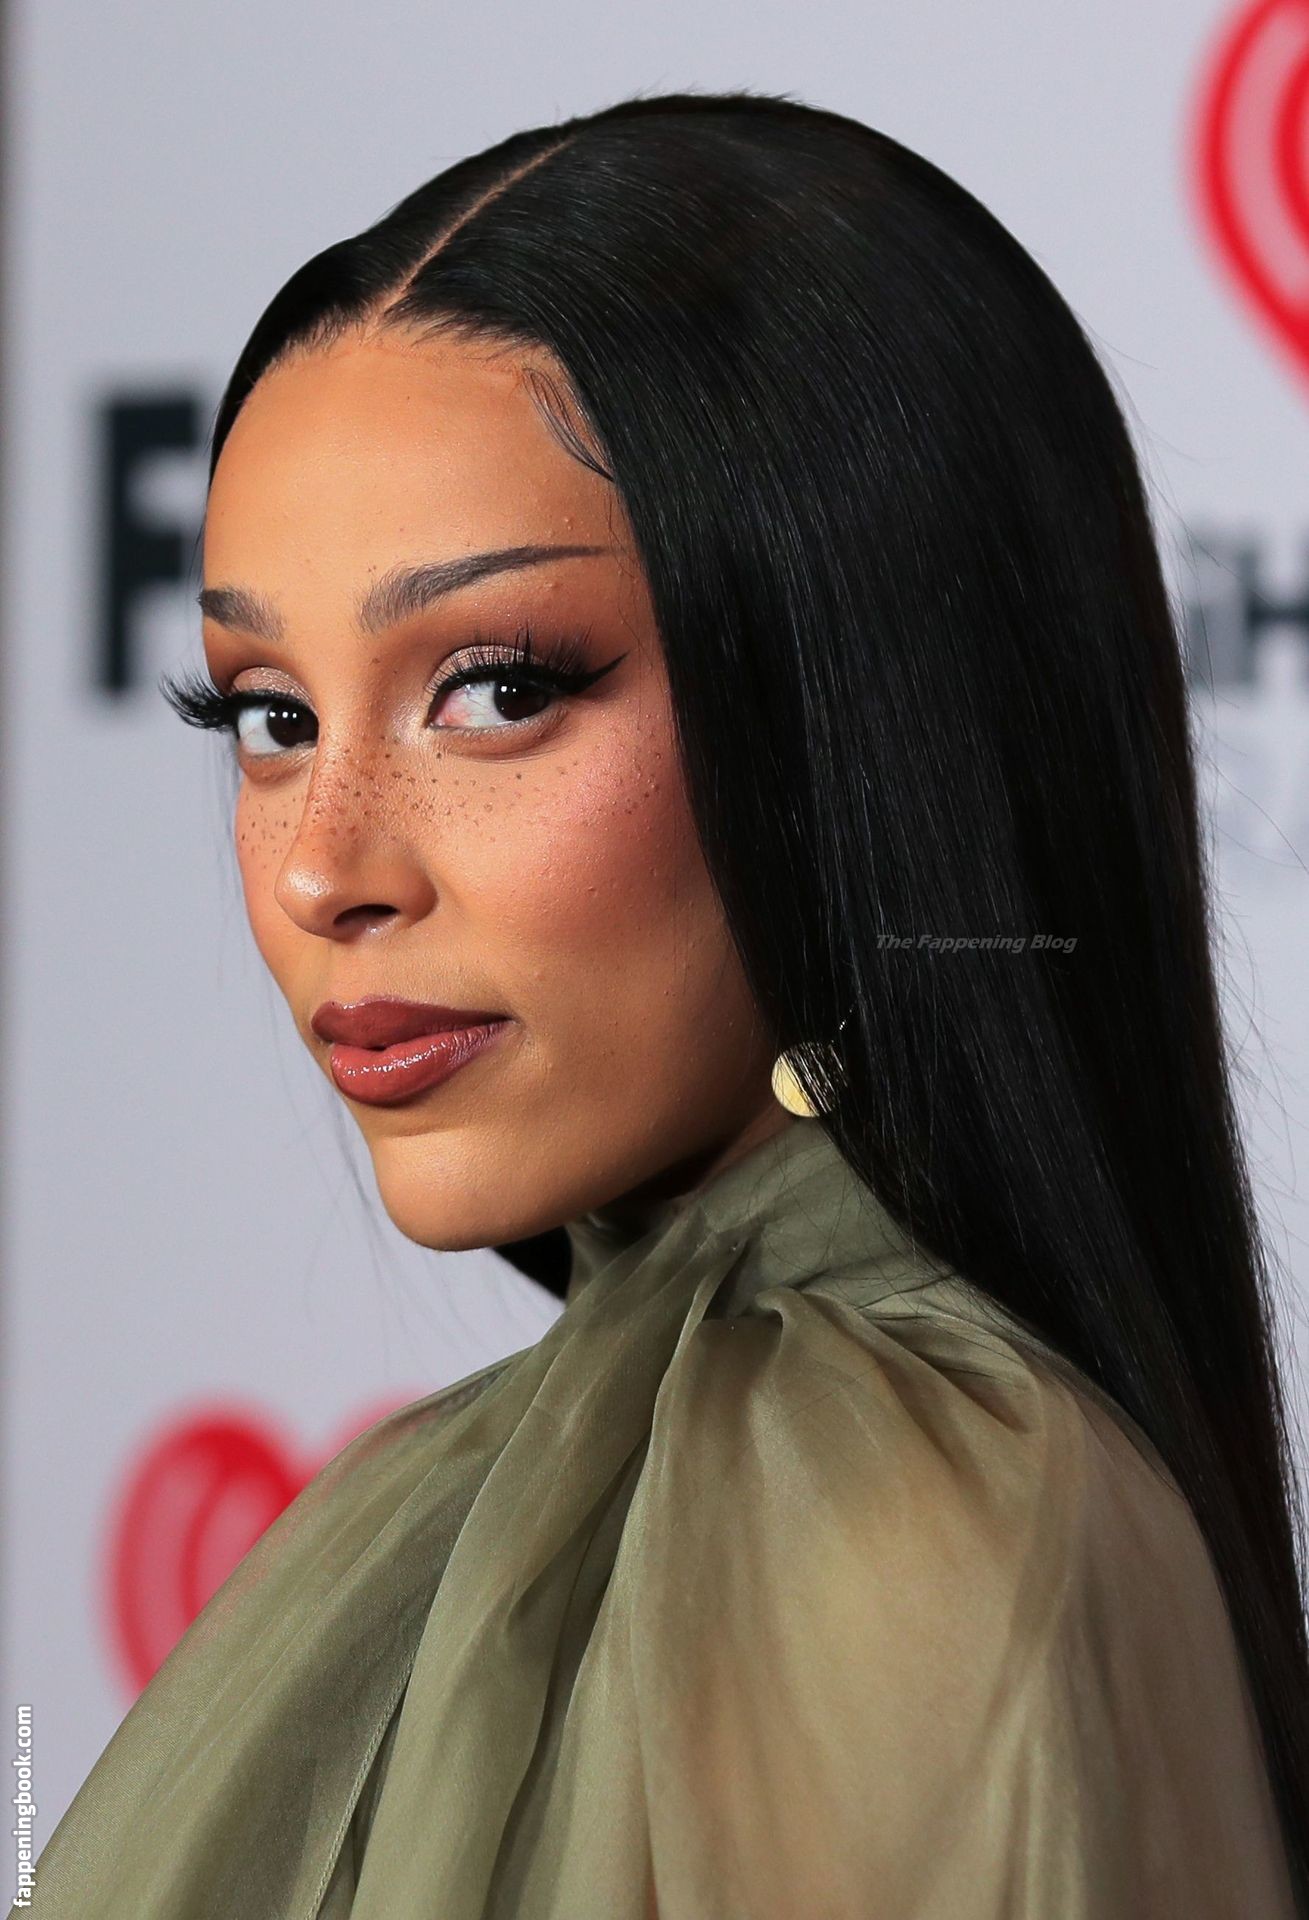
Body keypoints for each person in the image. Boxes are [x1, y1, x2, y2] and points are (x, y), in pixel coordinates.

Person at [18, 86, 1308, 1919]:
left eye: (495, 688)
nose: (324, 870)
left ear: (850, 713)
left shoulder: (885, 1512)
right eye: (270, 715)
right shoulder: (505, 1492)